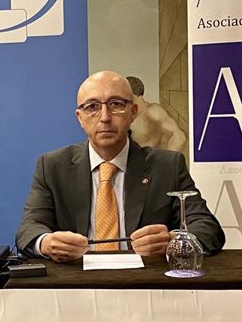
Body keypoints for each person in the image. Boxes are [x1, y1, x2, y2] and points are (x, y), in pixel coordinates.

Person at [16, 70, 224, 261]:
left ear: (133, 112)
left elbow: (208, 229)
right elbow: (29, 229)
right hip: (77, 281)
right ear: (80, 117)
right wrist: (46, 243)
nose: (105, 117)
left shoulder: (167, 166)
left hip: (146, 282)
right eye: (92, 107)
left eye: (116, 104)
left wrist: (173, 241)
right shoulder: (52, 166)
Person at [126, 76, 187, 154]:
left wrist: (166, 159)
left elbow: (179, 136)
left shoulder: (153, 112)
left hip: (147, 160)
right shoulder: (125, 113)